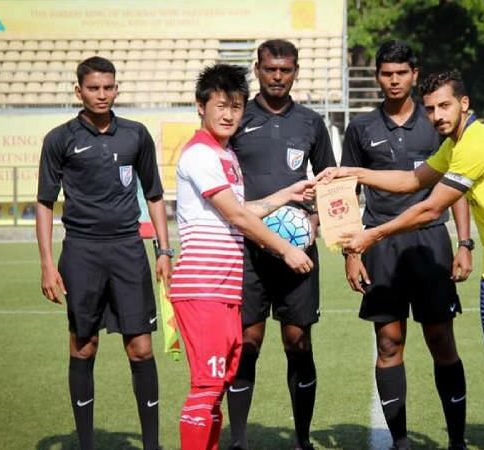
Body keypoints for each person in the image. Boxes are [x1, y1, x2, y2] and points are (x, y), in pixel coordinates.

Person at [320, 71, 484, 450]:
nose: (437, 115)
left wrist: (372, 235)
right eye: (430, 109)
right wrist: (355, 171)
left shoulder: (479, 143)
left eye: (444, 105)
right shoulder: (455, 145)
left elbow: (429, 209)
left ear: (464, 104)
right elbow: (413, 181)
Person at [171, 64, 315, 450]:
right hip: (202, 287)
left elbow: (240, 208)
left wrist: (287, 195)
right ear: (200, 107)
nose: (229, 114)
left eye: (236, 106)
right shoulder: (200, 154)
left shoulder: (225, 155)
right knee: (205, 387)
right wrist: (286, 249)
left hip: (224, 290)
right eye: (220, 105)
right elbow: (235, 215)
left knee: (217, 385)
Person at [340, 41, 472, 450]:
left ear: (414, 74)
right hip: (380, 244)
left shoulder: (437, 120)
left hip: (430, 242)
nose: (393, 80)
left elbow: (459, 186)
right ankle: (400, 442)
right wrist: (351, 252)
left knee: (440, 340)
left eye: (401, 72)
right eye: (386, 73)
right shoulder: (361, 128)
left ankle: (455, 441)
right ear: (378, 76)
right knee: (389, 342)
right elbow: (346, 194)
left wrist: (464, 243)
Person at [36, 56, 170, 450]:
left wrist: (163, 250)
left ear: (116, 88)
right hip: (81, 253)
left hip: (129, 250)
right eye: (93, 88)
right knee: (83, 344)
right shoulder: (59, 139)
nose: (101, 95)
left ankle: (151, 444)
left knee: (141, 348)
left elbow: (155, 195)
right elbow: (45, 203)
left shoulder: (136, 135)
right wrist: (47, 264)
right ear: (79, 91)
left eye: (108, 87)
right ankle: (86, 443)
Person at [225, 39, 336, 450]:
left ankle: (302, 440)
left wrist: (314, 221)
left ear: (295, 71)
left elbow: (330, 184)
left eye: (285, 70)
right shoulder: (238, 117)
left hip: (296, 254)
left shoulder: (310, 122)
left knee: (298, 342)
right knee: (247, 343)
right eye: (270, 69)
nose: (277, 76)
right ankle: (238, 441)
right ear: (257, 69)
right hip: (248, 251)